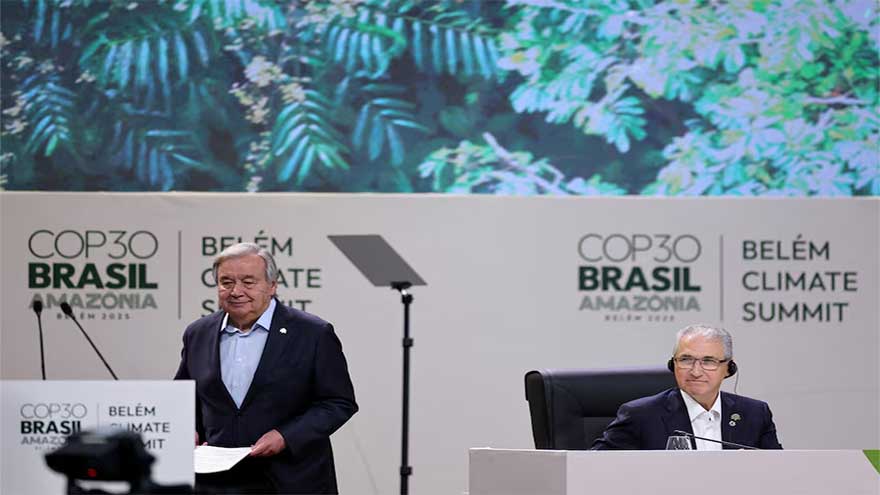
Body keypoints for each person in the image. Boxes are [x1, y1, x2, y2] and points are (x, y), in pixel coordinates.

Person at [175, 242, 357, 494]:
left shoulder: (313, 333)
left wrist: (285, 436)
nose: (236, 291)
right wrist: (188, 428)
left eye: (248, 282)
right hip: (216, 482)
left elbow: (339, 402)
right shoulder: (198, 333)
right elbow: (184, 397)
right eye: (226, 282)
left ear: (272, 285)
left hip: (291, 480)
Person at [592, 324, 782, 450]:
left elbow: (779, 471)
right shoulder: (640, 415)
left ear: (728, 368)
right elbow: (593, 466)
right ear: (672, 364)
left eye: (708, 361)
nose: (696, 371)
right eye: (686, 360)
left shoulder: (755, 414)